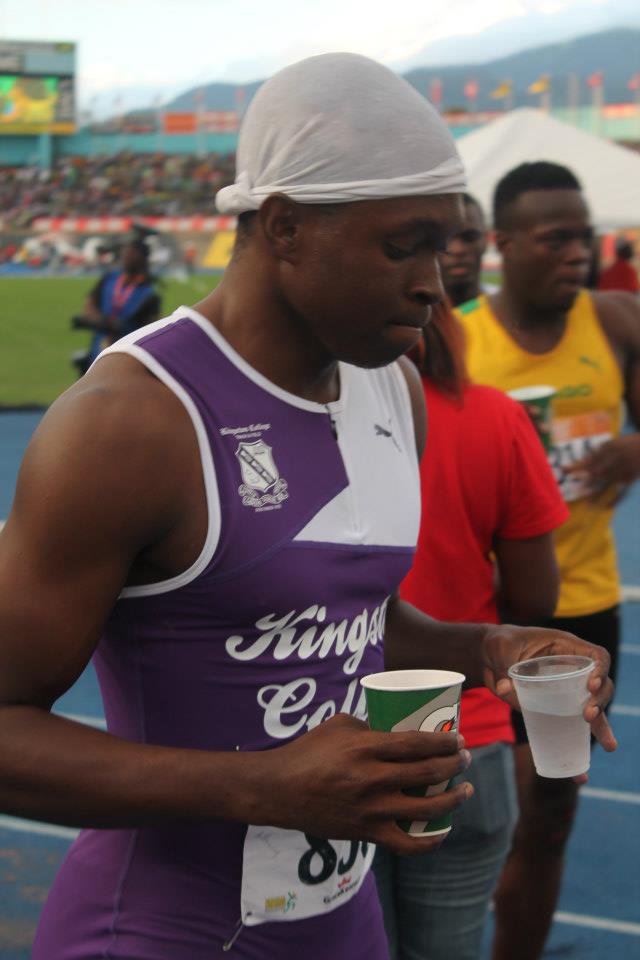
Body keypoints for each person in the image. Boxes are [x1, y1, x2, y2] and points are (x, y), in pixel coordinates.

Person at [0, 59, 615, 960]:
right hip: (158, 930)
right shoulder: (134, 420)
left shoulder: (393, 391)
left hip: (342, 927)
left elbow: (346, 618)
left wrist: (489, 648)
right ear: (285, 225)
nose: (434, 286)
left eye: (445, 248)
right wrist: (259, 787)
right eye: (403, 247)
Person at [458, 161, 640, 960]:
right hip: (470, 619)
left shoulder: (618, 320)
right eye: (555, 238)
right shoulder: (455, 338)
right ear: (503, 244)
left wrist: (636, 446)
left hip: (580, 613)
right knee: (457, 809)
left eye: (585, 236)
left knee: (550, 814)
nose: (578, 253)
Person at [373, 303, 569, 960]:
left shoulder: (311, 420)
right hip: (464, 731)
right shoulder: (496, 416)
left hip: (332, 736)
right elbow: (536, 598)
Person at [71, 231, 161, 376]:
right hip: (98, 349)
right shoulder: (110, 279)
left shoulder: (149, 294)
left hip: (126, 358)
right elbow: (90, 303)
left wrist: (121, 330)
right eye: (125, 252)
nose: (126, 256)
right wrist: (101, 322)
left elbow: (150, 331)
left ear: (142, 259)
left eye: (131, 253)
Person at [438, 194, 492, 307]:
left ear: (487, 239)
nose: (457, 249)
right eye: (444, 239)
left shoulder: (514, 312)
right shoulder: (410, 315)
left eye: (470, 237)